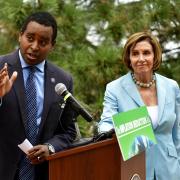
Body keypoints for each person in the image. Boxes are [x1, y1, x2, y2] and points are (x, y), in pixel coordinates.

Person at [0, 12, 76, 180]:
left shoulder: (63, 80)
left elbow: (68, 131)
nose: (35, 46)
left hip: (43, 173)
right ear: (20, 36)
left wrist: (50, 147)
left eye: (43, 42)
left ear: (52, 45)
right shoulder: (1, 68)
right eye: (30, 38)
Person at [98, 32, 180, 180]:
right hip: (135, 169)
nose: (141, 59)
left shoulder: (171, 86)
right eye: (135, 54)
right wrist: (116, 131)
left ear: (154, 56)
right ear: (129, 58)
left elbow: (177, 131)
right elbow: (105, 124)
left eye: (146, 53)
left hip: (170, 169)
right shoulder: (114, 88)